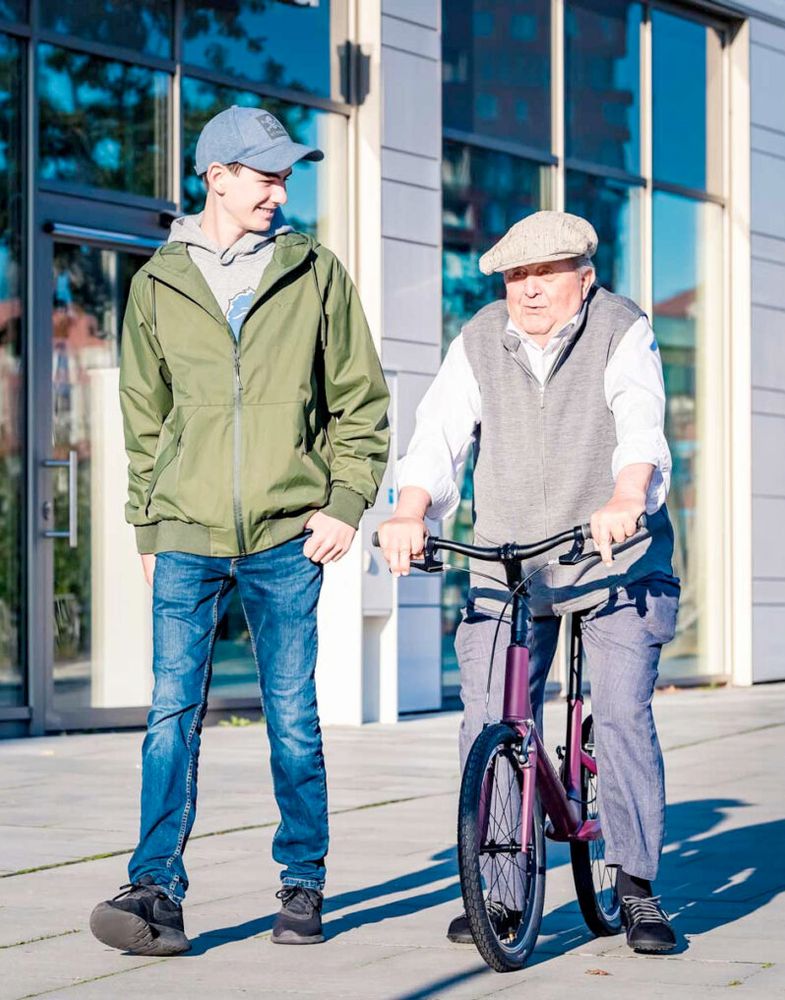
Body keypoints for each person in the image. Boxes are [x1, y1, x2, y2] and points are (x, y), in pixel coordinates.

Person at [89, 106, 390, 955]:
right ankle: (154, 890)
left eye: (284, 175)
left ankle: (302, 883)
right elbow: (144, 423)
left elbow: (360, 402)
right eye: (263, 174)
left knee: (291, 712)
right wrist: (148, 528)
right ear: (215, 176)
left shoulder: (313, 272)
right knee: (169, 712)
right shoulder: (156, 285)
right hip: (185, 531)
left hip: (286, 532)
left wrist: (344, 501)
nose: (278, 189)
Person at [378, 211, 680, 954]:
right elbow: (438, 434)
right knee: (489, 718)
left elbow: (640, 420)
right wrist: (409, 509)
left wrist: (625, 496)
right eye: (516, 276)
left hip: (613, 554)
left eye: (545, 274)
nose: (529, 290)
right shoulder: (480, 337)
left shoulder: (620, 327)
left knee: (616, 713)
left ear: (583, 277)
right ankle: (501, 892)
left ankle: (636, 886)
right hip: (511, 554)